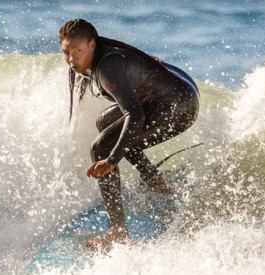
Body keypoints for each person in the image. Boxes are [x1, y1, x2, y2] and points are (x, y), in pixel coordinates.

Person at [59, 19, 200, 251]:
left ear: (92, 45)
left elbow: (135, 116)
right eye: (66, 52)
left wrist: (111, 161)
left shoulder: (108, 67)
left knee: (101, 147)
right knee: (104, 122)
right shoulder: (83, 64)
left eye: (78, 51)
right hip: (165, 95)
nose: (72, 59)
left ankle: (118, 232)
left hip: (179, 106)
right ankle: (153, 178)